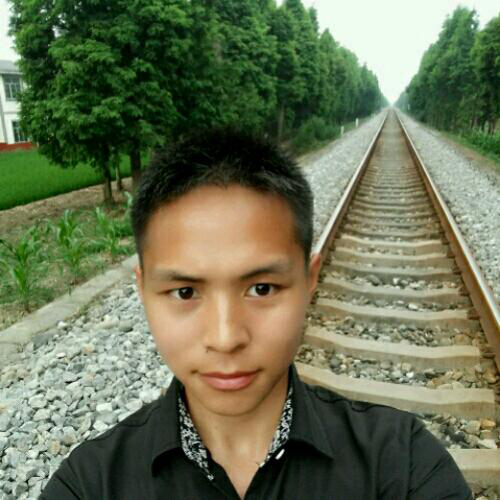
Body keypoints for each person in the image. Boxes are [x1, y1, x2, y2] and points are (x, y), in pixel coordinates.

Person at [41, 129, 472, 499]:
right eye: (185, 292)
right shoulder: (89, 485)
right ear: (143, 290)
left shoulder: (403, 466)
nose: (226, 338)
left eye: (261, 289)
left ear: (310, 279)